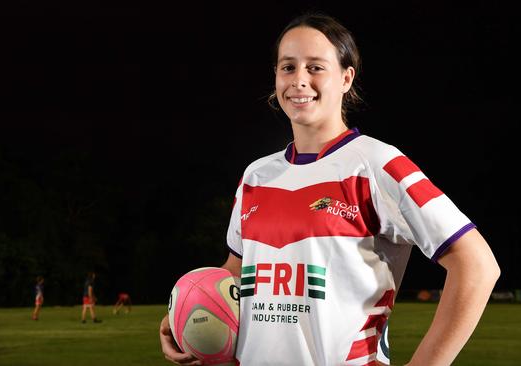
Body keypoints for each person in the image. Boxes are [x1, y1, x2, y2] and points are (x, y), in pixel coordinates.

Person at [160, 12, 500, 366]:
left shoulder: (377, 165)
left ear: (346, 78)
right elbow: (235, 272)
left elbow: (476, 265)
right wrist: (184, 314)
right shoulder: (256, 177)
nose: (299, 80)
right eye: (288, 67)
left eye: (315, 67)